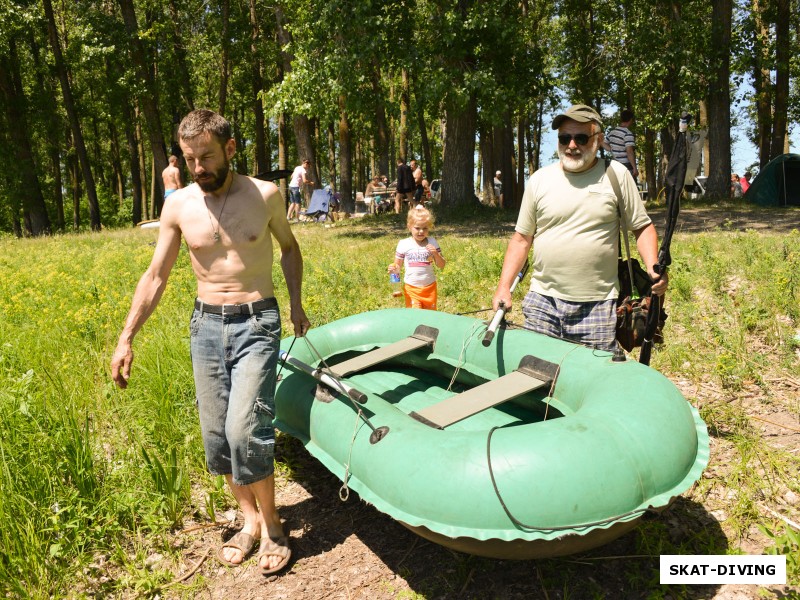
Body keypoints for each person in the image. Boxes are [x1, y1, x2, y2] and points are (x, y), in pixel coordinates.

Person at [111, 109, 309, 576]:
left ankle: (275, 526)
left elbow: (290, 248)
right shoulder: (179, 205)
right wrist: (126, 337)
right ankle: (249, 521)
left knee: (246, 429)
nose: (198, 168)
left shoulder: (265, 195)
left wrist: (296, 303)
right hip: (205, 327)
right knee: (217, 437)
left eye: (207, 157)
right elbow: (157, 274)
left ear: (231, 149)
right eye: (190, 159)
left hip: (257, 321)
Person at [492, 103, 667, 352]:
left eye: (581, 138)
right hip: (543, 302)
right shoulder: (540, 180)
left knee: (595, 378)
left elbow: (642, 227)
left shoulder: (616, 175)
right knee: (537, 375)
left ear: (598, 140)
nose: (572, 145)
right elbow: (521, 239)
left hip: (598, 305)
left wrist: (652, 268)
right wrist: (503, 287)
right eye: (565, 138)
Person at [388, 205, 446, 310]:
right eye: (417, 228)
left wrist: (436, 254)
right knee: (415, 316)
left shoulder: (432, 242)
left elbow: (442, 265)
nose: (421, 231)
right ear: (409, 226)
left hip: (429, 287)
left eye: (425, 228)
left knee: (430, 317)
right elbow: (397, 267)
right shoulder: (403, 244)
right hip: (411, 288)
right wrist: (393, 269)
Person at [602, 109, 638, 182]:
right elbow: (629, 152)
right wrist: (634, 168)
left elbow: (603, 143)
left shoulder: (612, 132)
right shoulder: (628, 134)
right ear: (631, 120)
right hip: (626, 167)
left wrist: (612, 149)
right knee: (628, 189)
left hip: (614, 165)